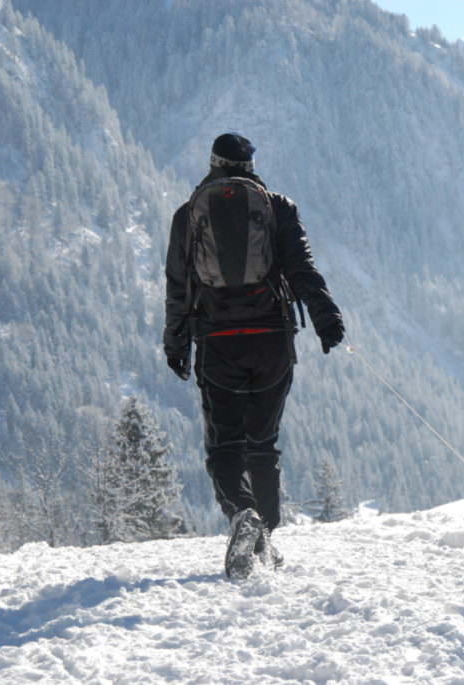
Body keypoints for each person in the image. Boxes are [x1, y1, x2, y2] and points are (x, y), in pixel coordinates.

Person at [163, 133, 344, 578]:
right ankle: (267, 537)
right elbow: (301, 267)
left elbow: (178, 286)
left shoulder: (188, 215)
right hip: (271, 338)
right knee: (263, 444)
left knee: (224, 444)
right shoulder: (278, 207)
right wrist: (325, 316)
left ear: (213, 163)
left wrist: (176, 341)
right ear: (250, 164)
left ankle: (244, 516)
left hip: (217, 339)